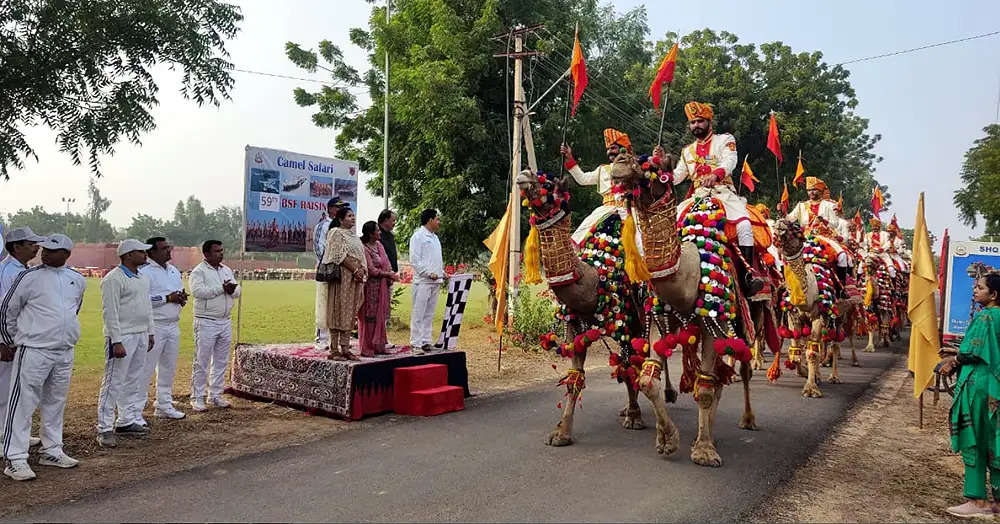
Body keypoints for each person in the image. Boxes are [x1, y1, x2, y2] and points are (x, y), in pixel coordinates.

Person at [0, 234, 84, 480]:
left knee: (55, 402)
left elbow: (73, 310)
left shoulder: (76, 279)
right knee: (23, 403)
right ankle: (15, 458)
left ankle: (52, 450)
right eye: (44, 249)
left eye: (53, 250)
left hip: (64, 350)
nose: (45, 253)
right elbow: (8, 311)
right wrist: (11, 339)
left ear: (66, 254)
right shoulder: (28, 277)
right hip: (34, 349)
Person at [666, 101, 764, 295]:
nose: (696, 126)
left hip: (724, 194)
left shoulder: (724, 139)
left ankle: (747, 277)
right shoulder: (687, 151)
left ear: (709, 122)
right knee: (671, 225)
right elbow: (677, 177)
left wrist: (716, 174)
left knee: (744, 225)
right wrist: (662, 170)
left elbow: (730, 160)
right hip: (697, 198)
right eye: (693, 122)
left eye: (700, 121)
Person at [940, 273, 1000, 518]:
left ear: (994, 295)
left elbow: (973, 351)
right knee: (995, 442)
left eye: (980, 287)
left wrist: (953, 359)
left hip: (980, 385)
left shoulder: (986, 316)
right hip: (995, 386)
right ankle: (997, 501)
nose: (975, 290)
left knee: (973, 439)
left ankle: (976, 500)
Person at [97, 239, 155, 448]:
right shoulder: (113, 279)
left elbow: (147, 307)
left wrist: (150, 332)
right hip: (123, 336)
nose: (145, 255)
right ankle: (104, 427)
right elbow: (110, 312)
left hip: (140, 334)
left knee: (133, 379)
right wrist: (116, 340)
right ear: (129, 255)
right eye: (141, 252)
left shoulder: (142, 278)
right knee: (113, 381)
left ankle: (126, 419)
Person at [0, 226, 46, 449]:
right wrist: (4, 342)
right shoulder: (8, 272)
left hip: (20, 339)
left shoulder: (23, 269)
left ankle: (14, 433)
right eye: (31, 244)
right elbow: (4, 310)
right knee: (3, 391)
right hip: (8, 341)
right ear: (17, 247)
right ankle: (2, 437)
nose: (36, 247)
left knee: (18, 390)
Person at [136, 237, 188, 421]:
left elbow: (177, 292)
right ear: (152, 252)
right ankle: (136, 410)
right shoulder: (145, 272)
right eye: (164, 248)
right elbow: (143, 300)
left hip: (173, 324)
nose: (169, 251)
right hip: (155, 325)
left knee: (168, 367)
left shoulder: (173, 270)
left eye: (169, 247)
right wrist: (167, 298)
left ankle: (164, 404)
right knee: (146, 368)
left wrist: (181, 298)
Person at [560, 129, 635, 246]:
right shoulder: (603, 170)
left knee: (641, 243)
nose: (610, 152)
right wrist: (570, 158)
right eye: (608, 149)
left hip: (630, 210)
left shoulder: (634, 167)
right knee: (582, 235)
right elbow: (582, 179)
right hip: (606, 210)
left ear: (623, 149)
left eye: (613, 148)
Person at [189, 240, 240, 411]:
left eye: (221, 250)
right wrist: (221, 288)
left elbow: (237, 291)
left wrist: (233, 290)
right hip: (206, 321)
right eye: (217, 251)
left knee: (221, 360)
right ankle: (197, 397)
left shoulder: (226, 270)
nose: (221, 254)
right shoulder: (199, 272)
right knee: (202, 361)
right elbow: (198, 292)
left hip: (225, 320)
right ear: (207, 254)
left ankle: (215, 395)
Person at [787, 176, 850, 294]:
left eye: (814, 190)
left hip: (824, 237)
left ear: (820, 191)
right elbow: (790, 219)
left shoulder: (829, 205)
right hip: (805, 237)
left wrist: (824, 220)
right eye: (809, 190)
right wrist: (783, 214)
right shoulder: (801, 205)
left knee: (842, 256)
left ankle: (841, 288)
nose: (811, 192)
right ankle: (787, 286)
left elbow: (835, 223)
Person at [321, 207, 366, 360]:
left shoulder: (354, 236)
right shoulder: (336, 232)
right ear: (340, 219)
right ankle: (334, 350)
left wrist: (362, 270)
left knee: (350, 311)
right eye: (349, 216)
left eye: (353, 216)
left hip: (355, 277)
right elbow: (338, 255)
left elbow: (360, 255)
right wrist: (355, 270)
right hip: (342, 276)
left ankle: (346, 349)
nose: (352, 218)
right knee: (337, 310)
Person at [314, 198, 351, 345]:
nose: (341, 210)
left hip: (341, 271)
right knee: (323, 303)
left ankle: (333, 340)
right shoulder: (323, 225)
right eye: (338, 207)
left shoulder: (344, 228)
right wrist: (329, 264)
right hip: (326, 270)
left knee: (336, 304)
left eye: (343, 208)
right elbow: (318, 248)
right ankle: (321, 339)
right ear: (330, 209)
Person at [359, 221, 399, 357]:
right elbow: (370, 269)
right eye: (377, 230)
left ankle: (379, 345)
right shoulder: (364, 248)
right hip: (370, 286)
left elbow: (386, 263)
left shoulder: (379, 245)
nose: (380, 232)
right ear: (371, 234)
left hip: (382, 285)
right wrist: (387, 274)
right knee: (369, 316)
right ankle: (367, 347)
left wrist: (389, 274)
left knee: (379, 316)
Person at [409, 209, 444, 353]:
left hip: (435, 282)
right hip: (423, 281)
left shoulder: (435, 238)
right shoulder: (418, 236)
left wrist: (441, 273)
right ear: (430, 220)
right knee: (419, 313)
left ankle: (426, 341)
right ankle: (415, 343)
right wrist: (428, 273)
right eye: (437, 219)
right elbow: (415, 260)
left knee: (429, 313)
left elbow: (435, 260)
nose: (438, 222)